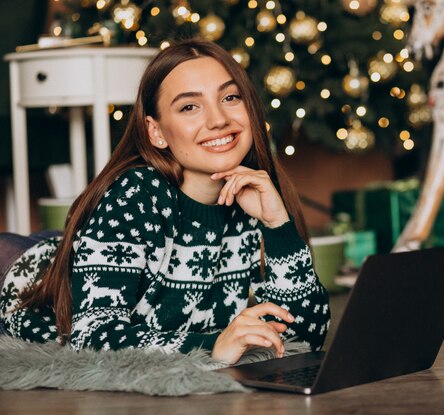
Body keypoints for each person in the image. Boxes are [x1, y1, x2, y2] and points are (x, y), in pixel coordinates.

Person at [0, 39, 330, 364]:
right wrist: (213, 343)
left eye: (230, 97)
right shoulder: (136, 195)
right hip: (26, 278)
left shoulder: (257, 193)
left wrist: (278, 226)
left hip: (84, 252)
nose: (218, 120)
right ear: (156, 132)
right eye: (190, 106)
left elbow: (305, 335)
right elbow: (91, 338)